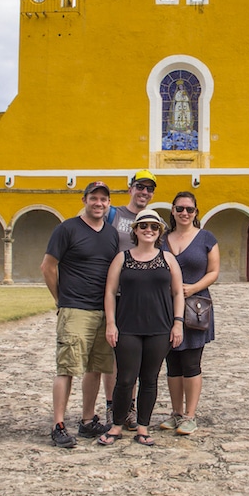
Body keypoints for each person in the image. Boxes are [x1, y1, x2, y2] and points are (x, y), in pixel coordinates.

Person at [40, 181, 118, 449]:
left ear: (109, 203)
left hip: (102, 309)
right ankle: (58, 424)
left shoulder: (111, 234)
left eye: (103, 199)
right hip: (75, 308)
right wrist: (60, 299)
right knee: (67, 368)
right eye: (94, 198)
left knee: (96, 367)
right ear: (84, 199)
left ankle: (87, 420)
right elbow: (48, 267)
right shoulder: (67, 229)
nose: (99, 203)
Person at [99, 209, 184, 447]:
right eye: (144, 226)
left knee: (150, 379)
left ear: (160, 233)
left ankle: (143, 427)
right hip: (128, 327)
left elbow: (178, 292)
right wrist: (111, 323)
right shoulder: (122, 258)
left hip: (160, 327)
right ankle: (117, 424)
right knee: (125, 379)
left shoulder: (167, 259)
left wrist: (178, 323)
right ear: (135, 230)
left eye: (154, 227)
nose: (149, 230)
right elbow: (109, 292)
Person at [103, 169, 158, 429]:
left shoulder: (152, 221)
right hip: (117, 295)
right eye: (140, 187)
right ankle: (112, 405)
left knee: (134, 360)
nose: (144, 192)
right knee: (115, 358)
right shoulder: (114, 215)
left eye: (149, 189)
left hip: (141, 300)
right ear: (130, 188)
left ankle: (130, 407)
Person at [161, 191, 219, 436]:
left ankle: (190, 415)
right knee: (172, 363)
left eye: (190, 209)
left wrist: (193, 287)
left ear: (196, 212)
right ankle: (175, 413)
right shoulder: (162, 239)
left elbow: (214, 271)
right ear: (173, 211)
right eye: (180, 208)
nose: (185, 213)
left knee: (191, 362)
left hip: (195, 307)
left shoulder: (206, 237)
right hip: (165, 307)